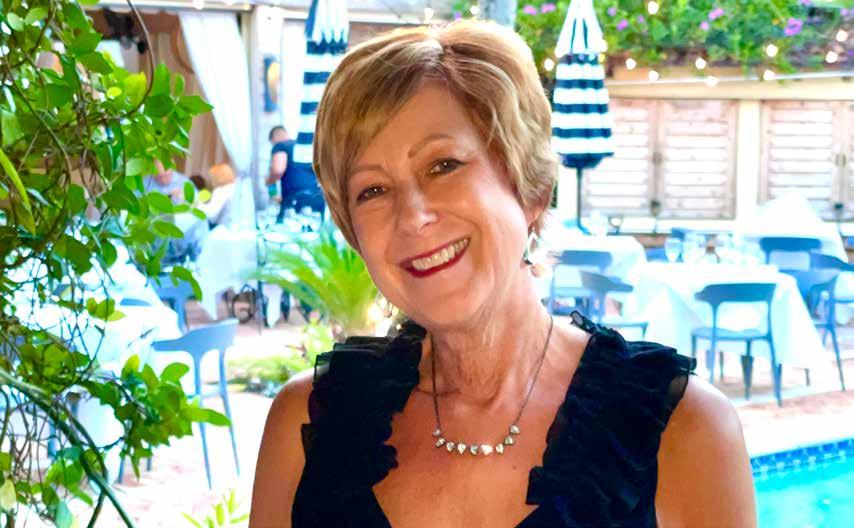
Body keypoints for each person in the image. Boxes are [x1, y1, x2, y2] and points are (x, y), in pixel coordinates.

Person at [250, 21, 756, 528]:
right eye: (373, 191)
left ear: (530, 189)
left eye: (443, 165)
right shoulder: (308, 423)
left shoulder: (681, 431)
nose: (413, 217)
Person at [265, 126, 323, 222]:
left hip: (294, 203)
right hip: (316, 200)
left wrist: (269, 181)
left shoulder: (280, 146)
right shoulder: (306, 147)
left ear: (274, 137)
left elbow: (277, 171)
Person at [197, 163, 236, 227]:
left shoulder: (221, 191)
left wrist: (197, 205)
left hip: (223, 229)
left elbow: (211, 215)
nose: (211, 180)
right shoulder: (236, 188)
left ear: (218, 177)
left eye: (212, 177)